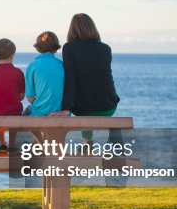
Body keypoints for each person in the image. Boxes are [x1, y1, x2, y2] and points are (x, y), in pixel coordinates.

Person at [50, 13, 120, 144]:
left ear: (73, 29)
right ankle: (88, 141)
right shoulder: (106, 48)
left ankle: (87, 141)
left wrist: (66, 109)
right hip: (109, 106)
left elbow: (70, 80)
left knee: (85, 108)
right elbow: (101, 77)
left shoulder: (69, 47)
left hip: (84, 110)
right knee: (91, 97)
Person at [0, 38, 25, 151]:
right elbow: (21, 96)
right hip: (14, 113)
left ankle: (2, 143)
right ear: (12, 54)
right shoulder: (18, 72)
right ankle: (12, 144)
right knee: (16, 114)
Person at [25, 31, 64, 117]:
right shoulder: (62, 65)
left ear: (38, 47)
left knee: (25, 113)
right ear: (56, 47)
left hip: (38, 112)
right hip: (59, 112)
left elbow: (30, 98)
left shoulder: (32, 66)